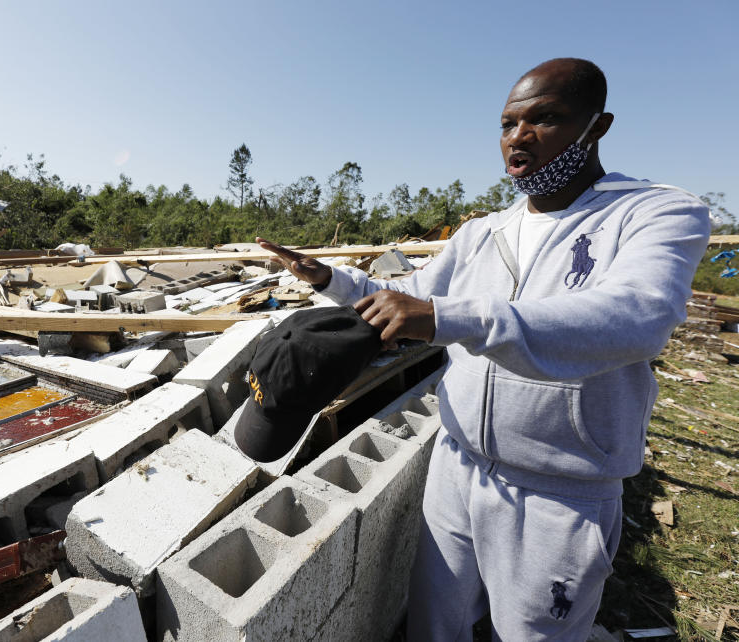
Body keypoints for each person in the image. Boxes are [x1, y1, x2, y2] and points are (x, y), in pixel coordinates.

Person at [258, 58, 710, 641]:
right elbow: (408, 299)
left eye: (544, 119)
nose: (518, 138)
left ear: (597, 126)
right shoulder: (482, 233)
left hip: (559, 489)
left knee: (531, 633)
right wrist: (330, 280)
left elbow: (637, 318)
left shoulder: (653, 212)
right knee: (435, 622)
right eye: (507, 124)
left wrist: (451, 316)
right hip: (459, 462)